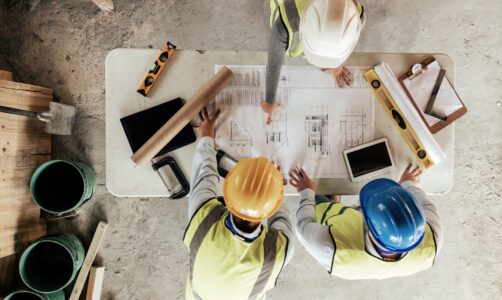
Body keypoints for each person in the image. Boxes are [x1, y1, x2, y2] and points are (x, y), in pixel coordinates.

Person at [183, 108, 294, 299]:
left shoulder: (203, 219)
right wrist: (273, 183)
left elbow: (205, 172)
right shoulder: (276, 253)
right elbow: (280, 215)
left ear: (228, 191)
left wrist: (206, 136)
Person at [290, 164, 443, 280]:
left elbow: (303, 225)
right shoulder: (433, 240)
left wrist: (306, 192)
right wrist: (408, 184)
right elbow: (427, 206)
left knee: (319, 198)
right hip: (350, 227)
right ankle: (335, 200)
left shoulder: (331, 248)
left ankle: (332, 202)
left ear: (368, 225)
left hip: (332, 219)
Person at [262, 0, 366, 124]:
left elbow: (342, 35)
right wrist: (269, 101)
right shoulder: (287, 19)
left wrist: (335, 64)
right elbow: (274, 65)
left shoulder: (355, 16)